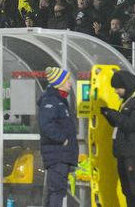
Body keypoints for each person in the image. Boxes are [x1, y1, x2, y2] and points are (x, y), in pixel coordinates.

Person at [100, 71, 135, 207]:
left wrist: (114, 114)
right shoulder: (127, 101)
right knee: (127, 190)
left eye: (118, 88)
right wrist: (109, 114)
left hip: (133, 153)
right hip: (124, 152)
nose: (116, 91)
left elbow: (132, 124)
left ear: (126, 86)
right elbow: (121, 122)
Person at [38, 66, 78, 207]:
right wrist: (62, 139)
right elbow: (46, 124)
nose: (70, 83)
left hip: (60, 154)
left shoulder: (59, 100)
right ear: (59, 82)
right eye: (67, 80)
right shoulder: (51, 100)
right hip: (57, 154)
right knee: (57, 190)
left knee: (55, 190)